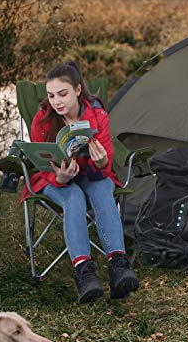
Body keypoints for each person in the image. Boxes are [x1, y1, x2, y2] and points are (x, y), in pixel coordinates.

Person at [21, 60, 139, 303]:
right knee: (73, 197)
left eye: (63, 94)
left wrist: (100, 161)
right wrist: (59, 177)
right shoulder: (43, 120)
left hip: (90, 175)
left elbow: (105, 163)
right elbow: (40, 164)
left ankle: (119, 268)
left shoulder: (97, 115)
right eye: (51, 95)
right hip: (54, 179)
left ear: (77, 89)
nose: (57, 101)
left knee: (103, 190)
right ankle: (85, 274)